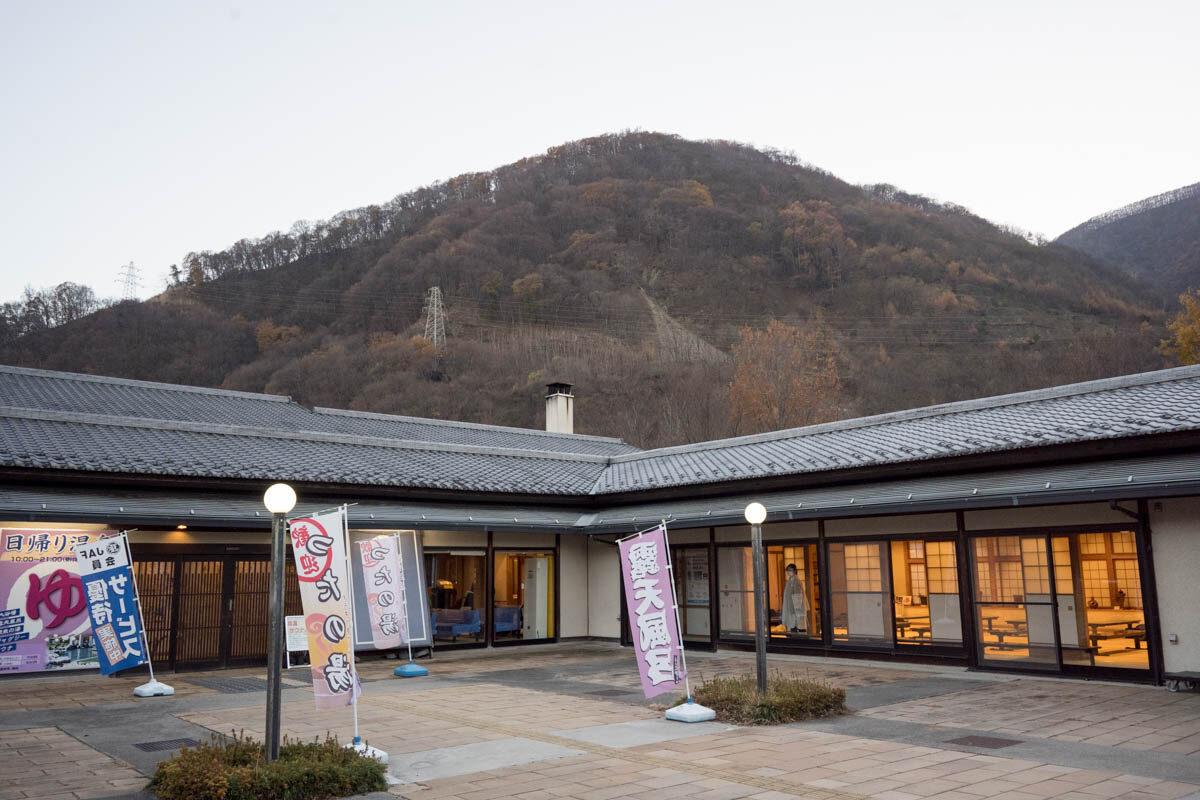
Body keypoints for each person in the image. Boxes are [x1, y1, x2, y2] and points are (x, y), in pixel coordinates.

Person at [781, 563, 809, 633]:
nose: (789, 572)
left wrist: (796, 608)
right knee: (792, 626)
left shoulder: (796, 580)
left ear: (795, 570)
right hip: (791, 606)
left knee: (797, 625)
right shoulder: (790, 580)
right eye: (788, 570)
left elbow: (798, 595)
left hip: (795, 608)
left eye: (791, 570)